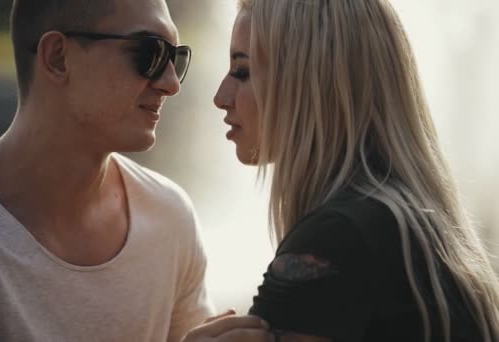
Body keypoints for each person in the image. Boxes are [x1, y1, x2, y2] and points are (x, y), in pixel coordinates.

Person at [0, 1, 219, 341]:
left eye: (175, 59)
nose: (171, 83)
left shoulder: (170, 217)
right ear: (57, 57)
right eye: (150, 53)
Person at [213, 0, 499, 341]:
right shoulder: (415, 224)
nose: (221, 96)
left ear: (309, 81)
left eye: (242, 72)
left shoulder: (336, 237)